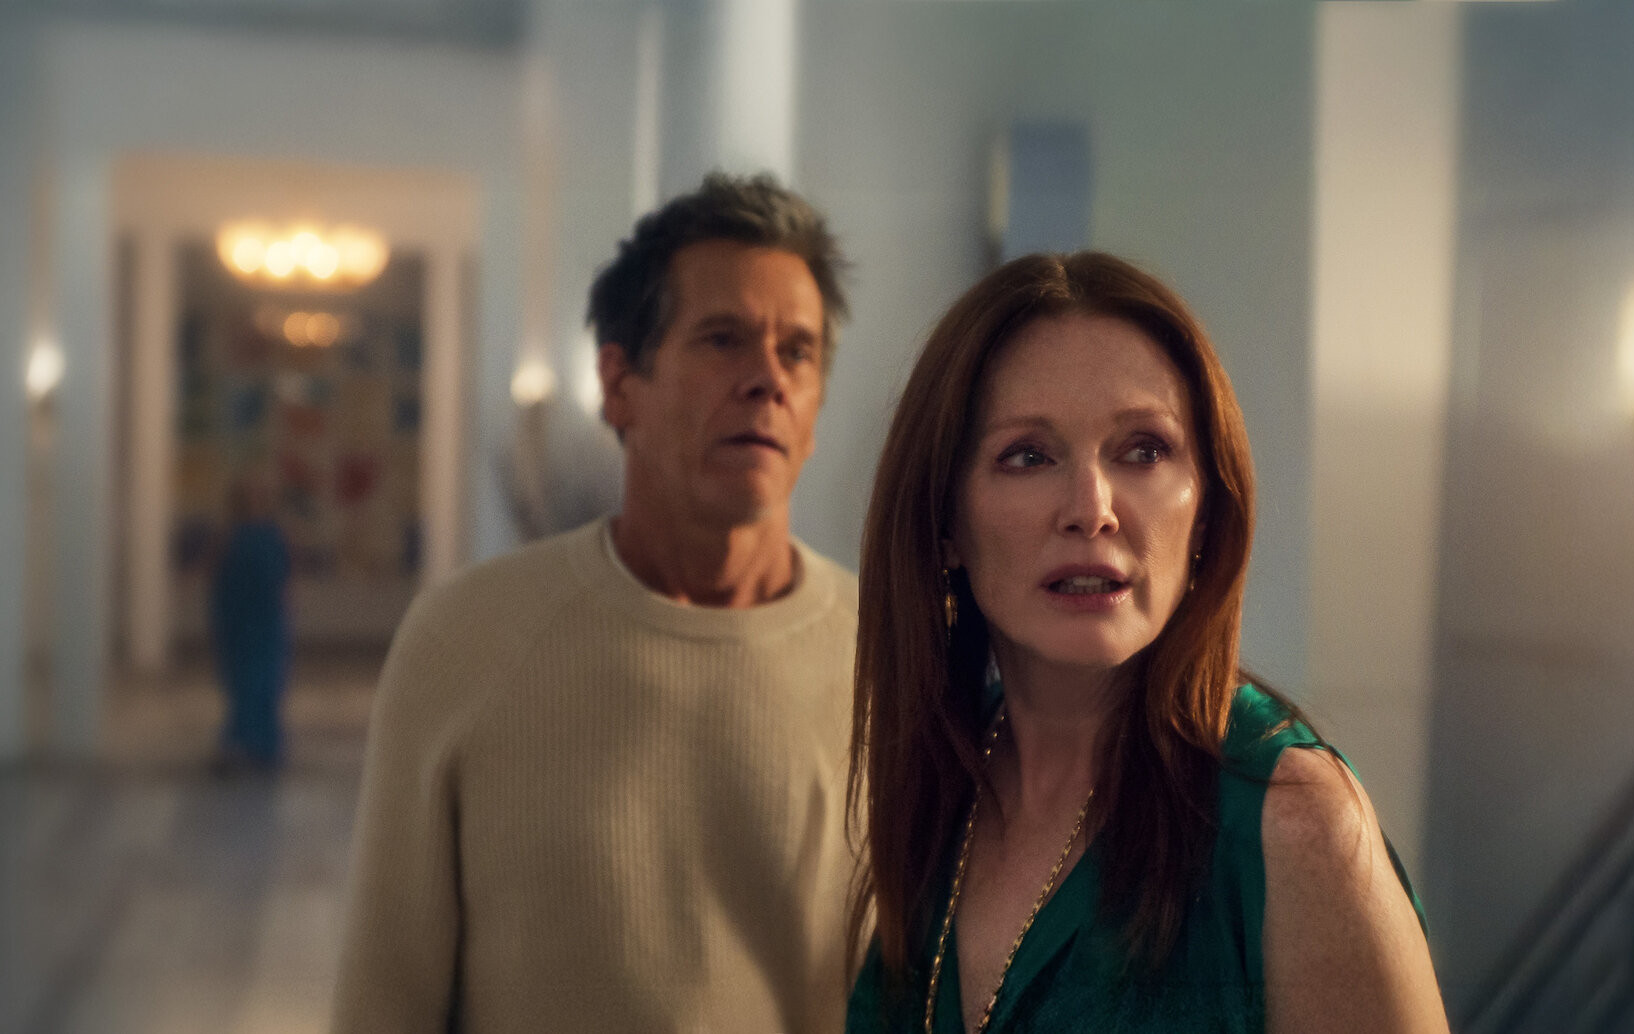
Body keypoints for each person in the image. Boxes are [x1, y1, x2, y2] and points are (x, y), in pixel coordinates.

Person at [846, 252, 1448, 1033]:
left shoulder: (1293, 827)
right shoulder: (946, 777)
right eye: (1027, 455)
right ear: (944, 520)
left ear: (1206, 512)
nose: (1091, 508)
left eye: (1143, 450)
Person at [331, 172, 859, 1033]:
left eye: (796, 351)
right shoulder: (466, 639)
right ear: (618, 384)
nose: (767, 378)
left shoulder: (887, 659)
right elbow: (383, 1000)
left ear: (816, 402)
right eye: (722, 339)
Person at [209, 472, 292, 774]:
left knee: (266, 683)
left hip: (267, 620)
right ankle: (240, 744)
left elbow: (283, 578)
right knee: (242, 683)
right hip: (238, 620)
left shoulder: (273, 535)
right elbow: (218, 578)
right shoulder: (231, 535)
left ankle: (263, 746)